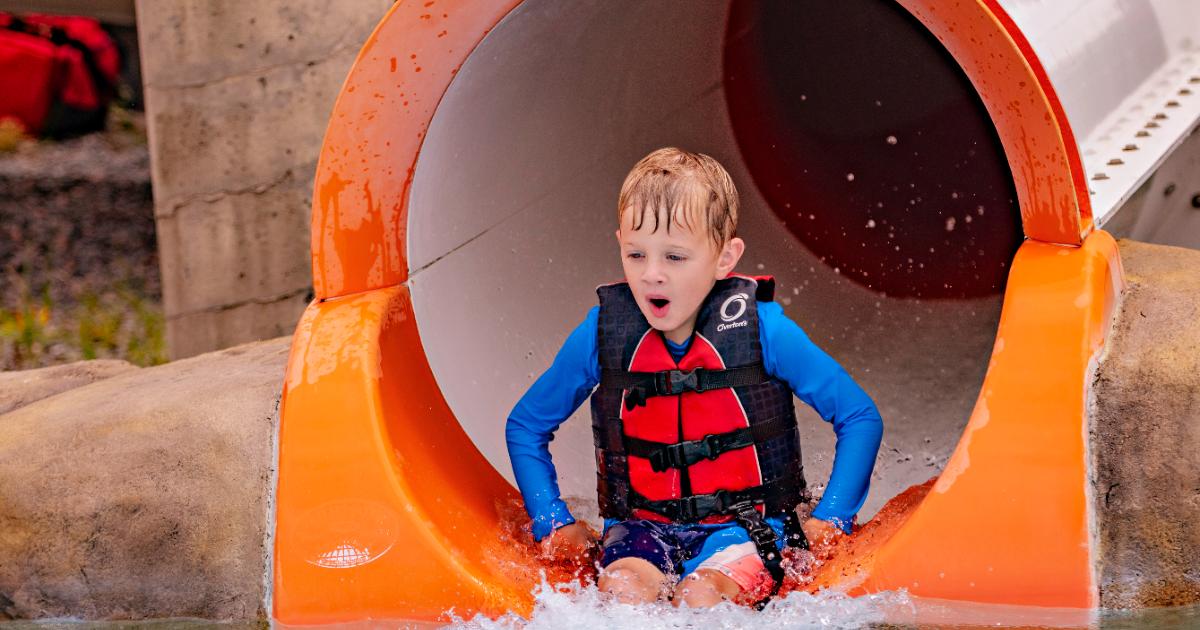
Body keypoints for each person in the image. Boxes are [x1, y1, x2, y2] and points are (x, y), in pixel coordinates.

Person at [505, 147, 883, 607]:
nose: (652, 275)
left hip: (747, 527)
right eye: (636, 254)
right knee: (622, 591)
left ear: (725, 257)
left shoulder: (764, 330)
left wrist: (832, 519)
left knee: (701, 597)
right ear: (619, 242)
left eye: (676, 257)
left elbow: (859, 417)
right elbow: (526, 425)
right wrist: (552, 522)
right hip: (642, 528)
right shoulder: (602, 333)